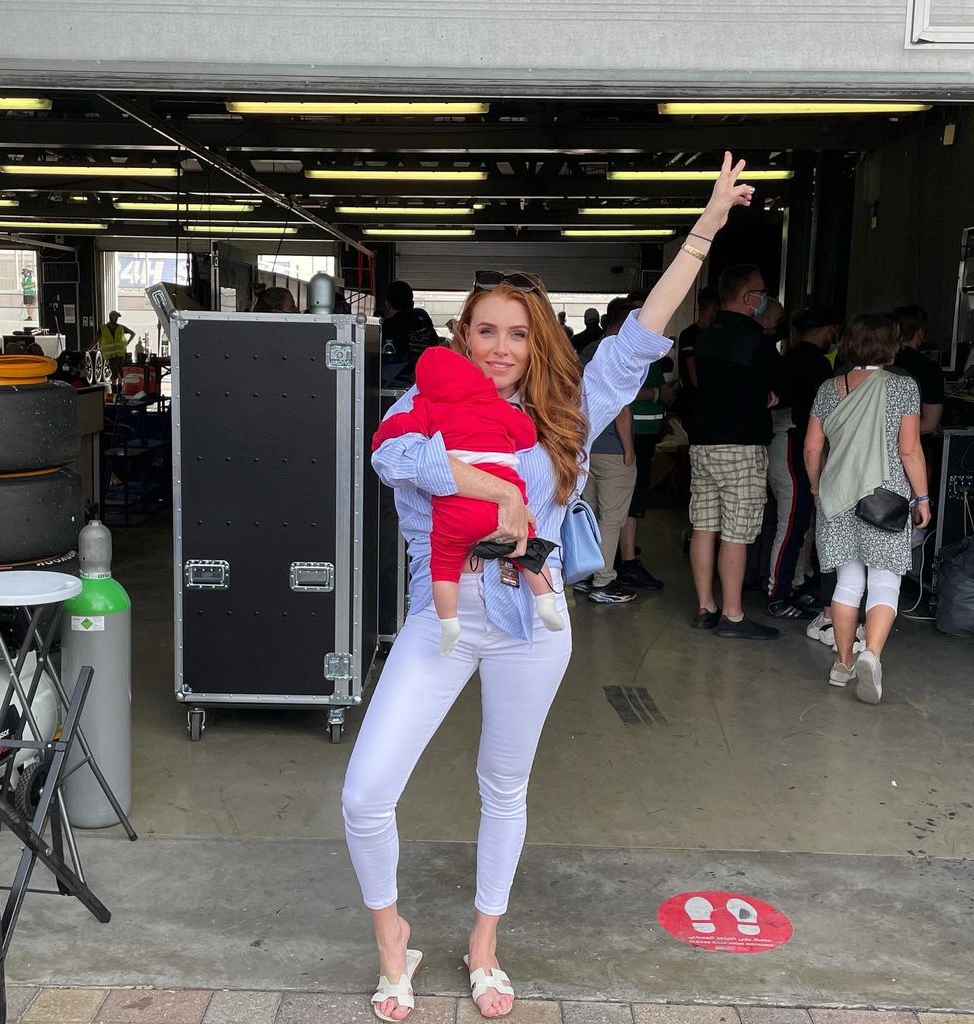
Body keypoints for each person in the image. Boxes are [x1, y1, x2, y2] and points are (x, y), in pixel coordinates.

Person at [343, 154, 754, 1022]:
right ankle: (392, 937)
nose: (500, 348)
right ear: (463, 338)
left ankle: (484, 942)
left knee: (505, 787)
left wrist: (704, 230)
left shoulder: (569, 412)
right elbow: (390, 459)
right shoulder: (421, 406)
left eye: (518, 334)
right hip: (441, 616)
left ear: (538, 343)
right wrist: (479, 483)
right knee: (365, 792)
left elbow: (641, 334)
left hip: (532, 625)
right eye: (485, 331)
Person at [372, 345, 564, 653]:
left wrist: (383, 434)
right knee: (528, 550)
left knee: (443, 566)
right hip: (504, 512)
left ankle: (449, 624)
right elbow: (526, 435)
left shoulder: (426, 406)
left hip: (456, 513)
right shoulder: (493, 404)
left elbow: (397, 432)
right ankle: (545, 602)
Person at [804, 313, 930, 704]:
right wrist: (922, 498)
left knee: (847, 582)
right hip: (885, 497)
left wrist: (816, 487)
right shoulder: (903, 387)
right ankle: (871, 654)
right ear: (891, 345)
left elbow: (812, 447)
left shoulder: (829, 388)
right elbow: (910, 449)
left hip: (837, 496)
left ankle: (842, 663)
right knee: (885, 580)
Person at [688, 264, 782, 640]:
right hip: (742, 446)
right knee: (736, 532)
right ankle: (732, 615)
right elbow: (778, 383)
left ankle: (705, 607)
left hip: (702, 444)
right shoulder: (756, 340)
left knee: (704, 526)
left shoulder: (704, 337)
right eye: (761, 292)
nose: (765, 299)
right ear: (748, 297)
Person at [766, 308, 838, 618]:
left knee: (794, 521)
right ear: (827, 329)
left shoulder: (789, 358)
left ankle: (791, 585)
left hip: (785, 439)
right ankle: (778, 595)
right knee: (792, 522)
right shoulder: (816, 363)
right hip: (792, 441)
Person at [576, 297, 638, 603]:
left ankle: (584, 576)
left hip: (586, 448)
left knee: (588, 514)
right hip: (613, 449)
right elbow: (621, 408)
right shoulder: (618, 353)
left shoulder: (589, 350)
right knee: (612, 519)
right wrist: (629, 448)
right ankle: (603, 582)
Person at [615, 353, 674, 591]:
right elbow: (622, 392)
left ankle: (622, 553)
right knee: (631, 499)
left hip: (644, 436)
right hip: (632, 436)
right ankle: (627, 562)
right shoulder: (629, 354)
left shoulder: (651, 357)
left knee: (635, 498)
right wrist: (657, 394)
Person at [893, 305, 945, 435]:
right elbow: (929, 425)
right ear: (919, 333)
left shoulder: (878, 362)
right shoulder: (929, 368)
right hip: (910, 441)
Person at [675, 286, 720, 434]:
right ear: (714, 308)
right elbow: (693, 373)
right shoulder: (690, 335)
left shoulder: (712, 335)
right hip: (694, 401)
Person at [382, 280, 440, 377]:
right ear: (412, 303)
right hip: (430, 375)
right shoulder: (423, 318)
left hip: (401, 380)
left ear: (387, 304)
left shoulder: (387, 327)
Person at [99, 311, 135, 393]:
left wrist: (127, 342)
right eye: (115, 317)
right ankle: (115, 391)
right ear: (110, 317)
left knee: (120, 373)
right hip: (111, 355)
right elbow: (96, 339)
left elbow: (133, 333)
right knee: (114, 373)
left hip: (120, 354)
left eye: (117, 318)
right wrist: (90, 349)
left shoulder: (121, 327)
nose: (116, 319)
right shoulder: (103, 328)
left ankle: (119, 391)